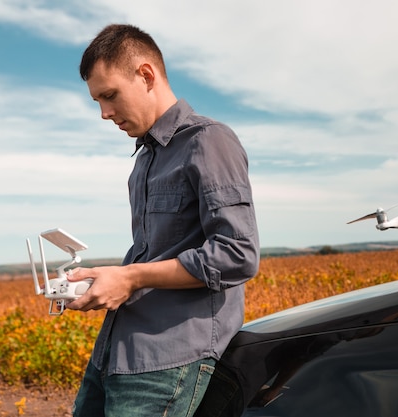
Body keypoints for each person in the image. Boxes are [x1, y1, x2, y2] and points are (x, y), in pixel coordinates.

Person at [66, 23, 260, 417]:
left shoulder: (208, 140)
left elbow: (237, 254)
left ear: (146, 75)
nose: (104, 113)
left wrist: (131, 278)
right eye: (97, 102)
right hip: (115, 352)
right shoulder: (144, 160)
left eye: (110, 96)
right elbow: (154, 252)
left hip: (167, 358)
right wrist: (107, 279)